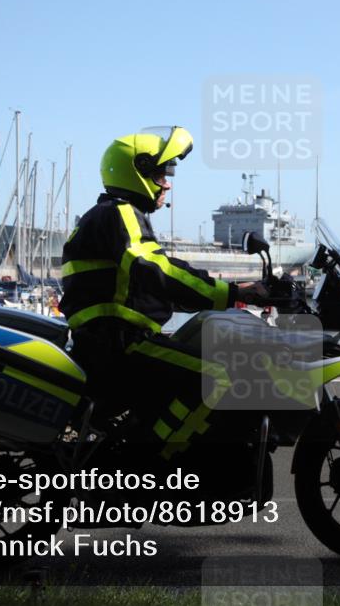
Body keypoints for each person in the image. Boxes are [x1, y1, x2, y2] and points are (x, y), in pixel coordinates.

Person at [61, 126, 267, 460]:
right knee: (218, 376)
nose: (167, 184)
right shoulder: (120, 213)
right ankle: (147, 465)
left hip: (105, 341)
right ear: (136, 173)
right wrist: (231, 294)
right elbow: (156, 271)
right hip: (119, 343)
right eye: (160, 175)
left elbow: (156, 275)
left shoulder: (107, 215)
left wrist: (218, 290)